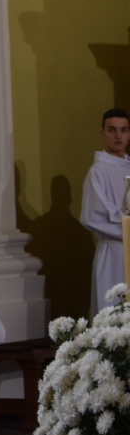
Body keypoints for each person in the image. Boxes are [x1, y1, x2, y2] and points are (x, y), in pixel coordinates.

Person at [81, 107, 130, 316]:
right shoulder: (98, 171)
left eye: (124, 130)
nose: (118, 136)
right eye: (112, 130)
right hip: (114, 253)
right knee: (112, 314)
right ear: (102, 133)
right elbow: (92, 216)